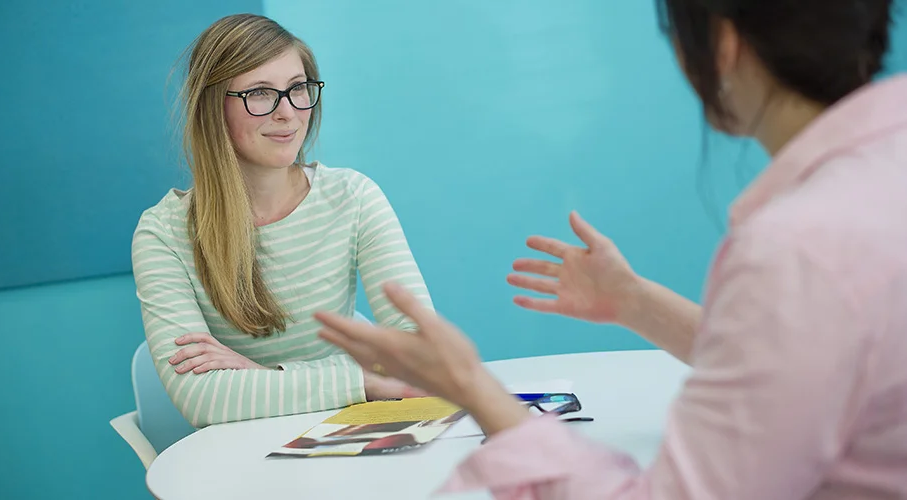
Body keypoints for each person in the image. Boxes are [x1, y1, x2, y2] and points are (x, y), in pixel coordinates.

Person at [314, 0, 907, 498]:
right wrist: (635, 302)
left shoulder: (797, 248)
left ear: (721, 43)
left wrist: (472, 388)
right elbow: (810, 362)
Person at [130, 13, 431, 428]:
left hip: (353, 439)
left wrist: (261, 377)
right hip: (243, 460)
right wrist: (367, 379)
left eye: (297, 89)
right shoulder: (162, 234)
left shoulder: (354, 197)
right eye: (259, 93)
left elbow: (424, 356)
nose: (288, 113)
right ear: (212, 105)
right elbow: (203, 401)